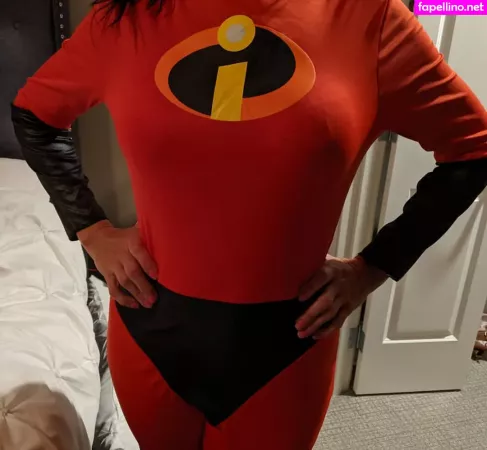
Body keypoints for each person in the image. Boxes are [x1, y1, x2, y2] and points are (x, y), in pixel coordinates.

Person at [11, 0, 487, 448]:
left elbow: (473, 148)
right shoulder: (125, 19)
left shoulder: (369, 18)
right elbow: (35, 114)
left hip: (286, 345)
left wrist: (374, 266)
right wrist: (92, 231)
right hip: (150, 326)